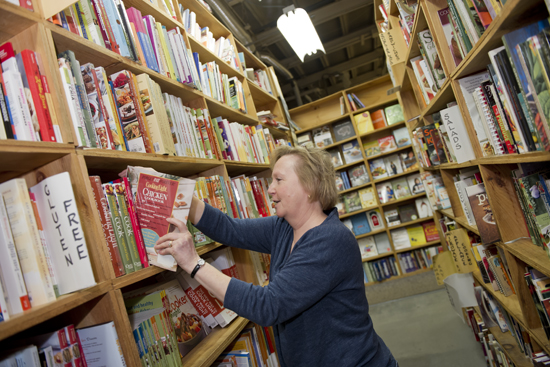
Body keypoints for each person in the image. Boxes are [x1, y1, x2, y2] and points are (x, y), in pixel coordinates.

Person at [155, 146, 397, 367]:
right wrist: (177, 191)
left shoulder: (331, 241)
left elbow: (268, 305)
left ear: (310, 186)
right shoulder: (283, 227)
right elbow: (230, 229)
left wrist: (193, 263)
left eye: (279, 180)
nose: (270, 188)